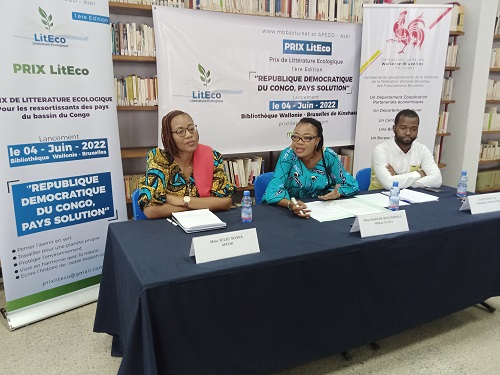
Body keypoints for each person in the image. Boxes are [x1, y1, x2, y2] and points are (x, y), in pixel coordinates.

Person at [138, 110, 235, 219]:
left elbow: (225, 202)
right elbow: (151, 210)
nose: (189, 135)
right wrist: (200, 206)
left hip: (205, 223)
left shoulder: (211, 156)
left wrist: (182, 200)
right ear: (168, 137)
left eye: (191, 128)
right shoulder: (159, 159)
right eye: (180, 131)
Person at [262, 117, 359, 218]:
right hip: (290, 213)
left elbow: (350, 184)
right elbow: (273, 191)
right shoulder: (288, 156)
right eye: (296, 137)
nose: (299, 142)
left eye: (306, 138)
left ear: (317, 140)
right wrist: (291, 204)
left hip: (323, 212)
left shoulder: (328, 156)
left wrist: (337, 193)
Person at [369, 109, 442, 190]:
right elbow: (389, 184)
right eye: (403, 128)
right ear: (394, 128)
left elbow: (437, 180)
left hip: (410, 196)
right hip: (378, 196)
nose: (408, 132)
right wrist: (419, 174)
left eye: (413, 129)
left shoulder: (422, 149)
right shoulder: (381, 150)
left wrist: (398, 179)